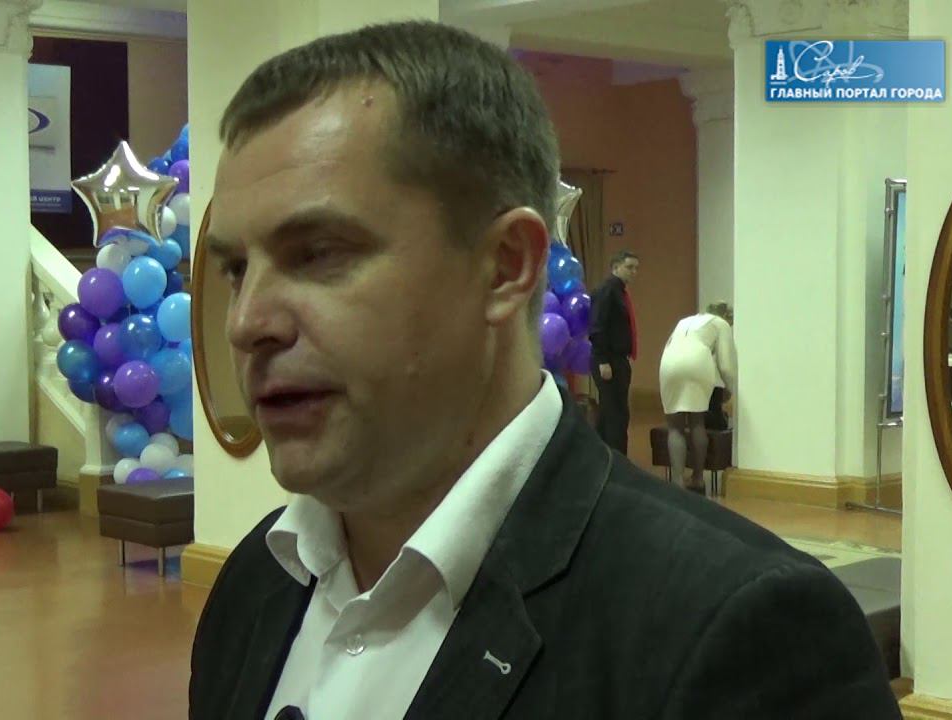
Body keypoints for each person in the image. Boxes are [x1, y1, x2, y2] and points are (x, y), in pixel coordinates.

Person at [190, 20, 899, 720]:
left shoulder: (739, 631)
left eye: (317, 254)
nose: (247, 323)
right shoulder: (256, 583)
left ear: (505, 267)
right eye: (235, 269)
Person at [659, 302, 738, 493]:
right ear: (728, 317)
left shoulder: (685, 321)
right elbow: (726, 366)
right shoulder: (721, 324)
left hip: (668, 363)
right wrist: (732, 390)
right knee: (697, 422)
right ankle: (697, 478)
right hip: (697, 363)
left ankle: (677, 482)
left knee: (675, 427)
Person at [588, 251, 639, 454]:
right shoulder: (607, 291)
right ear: (616, 267)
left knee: (613, 412)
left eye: (636, 268)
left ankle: (605, 456)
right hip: (608, 360)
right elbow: (597, 325)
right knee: (616, 415)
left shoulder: (619, 292)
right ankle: (617, 458)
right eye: (629, 267)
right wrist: (602, 360)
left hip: (618, 359)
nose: (634, 272)